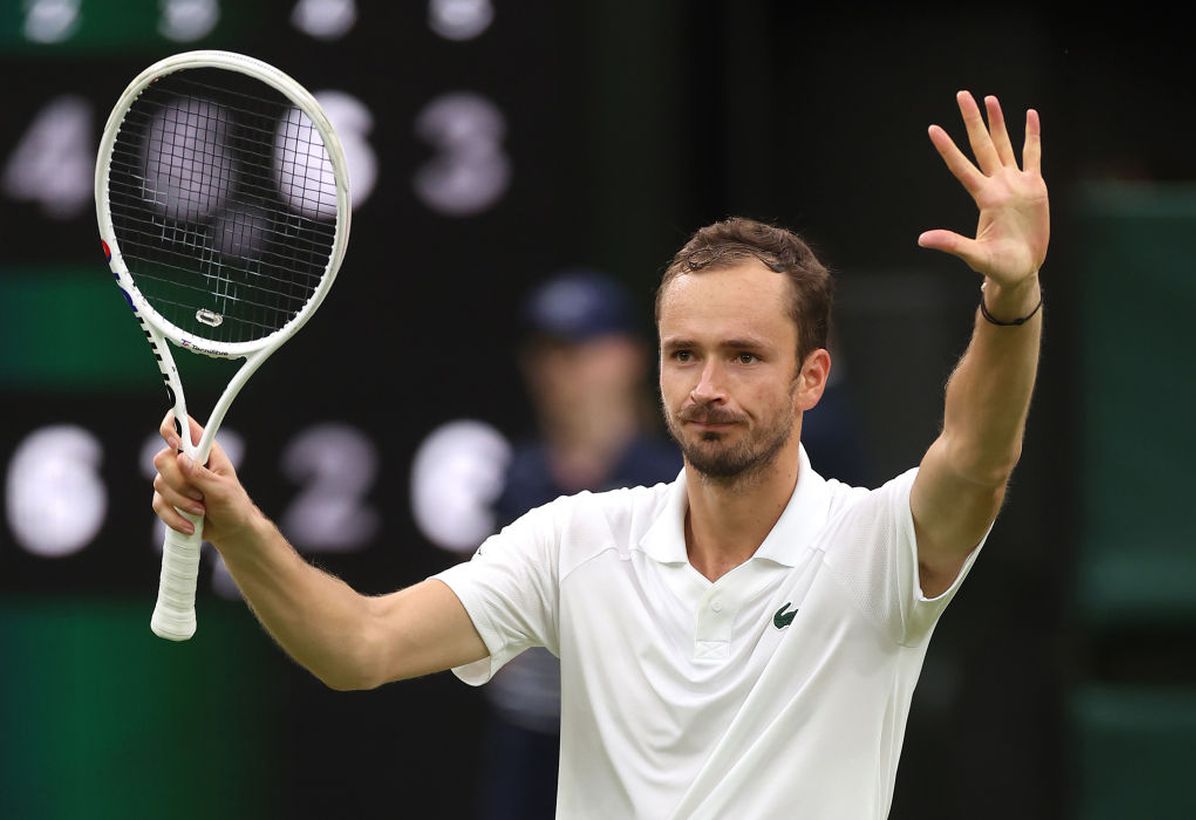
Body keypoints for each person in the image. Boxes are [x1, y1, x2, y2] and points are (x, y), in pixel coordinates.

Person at [150, 91, 1048, 818]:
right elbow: (359, 646)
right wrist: (234, 520)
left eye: (744, 356)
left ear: (812, 378)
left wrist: (1010, 301)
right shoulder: (571, 542)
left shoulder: (873, 545)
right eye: (683, 354)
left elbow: (978, 456)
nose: (707, 386)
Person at [477, 269, 682, 819]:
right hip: (525, 757)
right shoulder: (513, 482)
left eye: (579, 350)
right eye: (545, 352)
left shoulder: (673, 486)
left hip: (639, 765)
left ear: (629, 358)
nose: (558, 371)